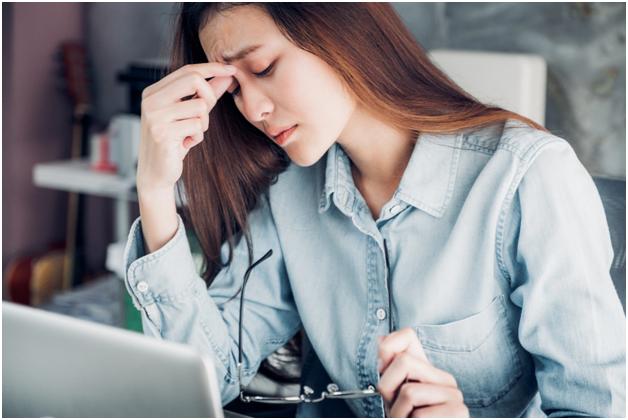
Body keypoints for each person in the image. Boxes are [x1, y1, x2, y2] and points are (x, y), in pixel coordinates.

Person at [124, 3, 625, 418]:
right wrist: (154, 188)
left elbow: (598, 409)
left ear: (340, 30)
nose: (252, 108)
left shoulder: (527, 177)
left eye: (264, 69)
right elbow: (205, 375)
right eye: (233, 90)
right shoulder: (290, 193)